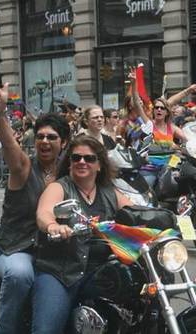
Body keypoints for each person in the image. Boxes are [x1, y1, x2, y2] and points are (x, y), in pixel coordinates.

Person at [0, 83, 71, 334]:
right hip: (15, 248)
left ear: (64, 142)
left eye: (52, 137)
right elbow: (10, 147)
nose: (44, 141)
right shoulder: (23, 167)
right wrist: (1, 113)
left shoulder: (69, 172)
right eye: (41, 136)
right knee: (20, 274)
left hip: (55, 252)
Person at [33, 135, 133, 334]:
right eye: (76, 157)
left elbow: (135, 211)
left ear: (99, 165)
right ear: (69, 162)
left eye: (89, 158)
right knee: (46, 330)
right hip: (61, 272)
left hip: (100, 272)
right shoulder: (59, 187)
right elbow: (44, 212)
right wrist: (53, 226)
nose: (82, 162)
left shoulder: (109, 192)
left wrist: (162, 220)